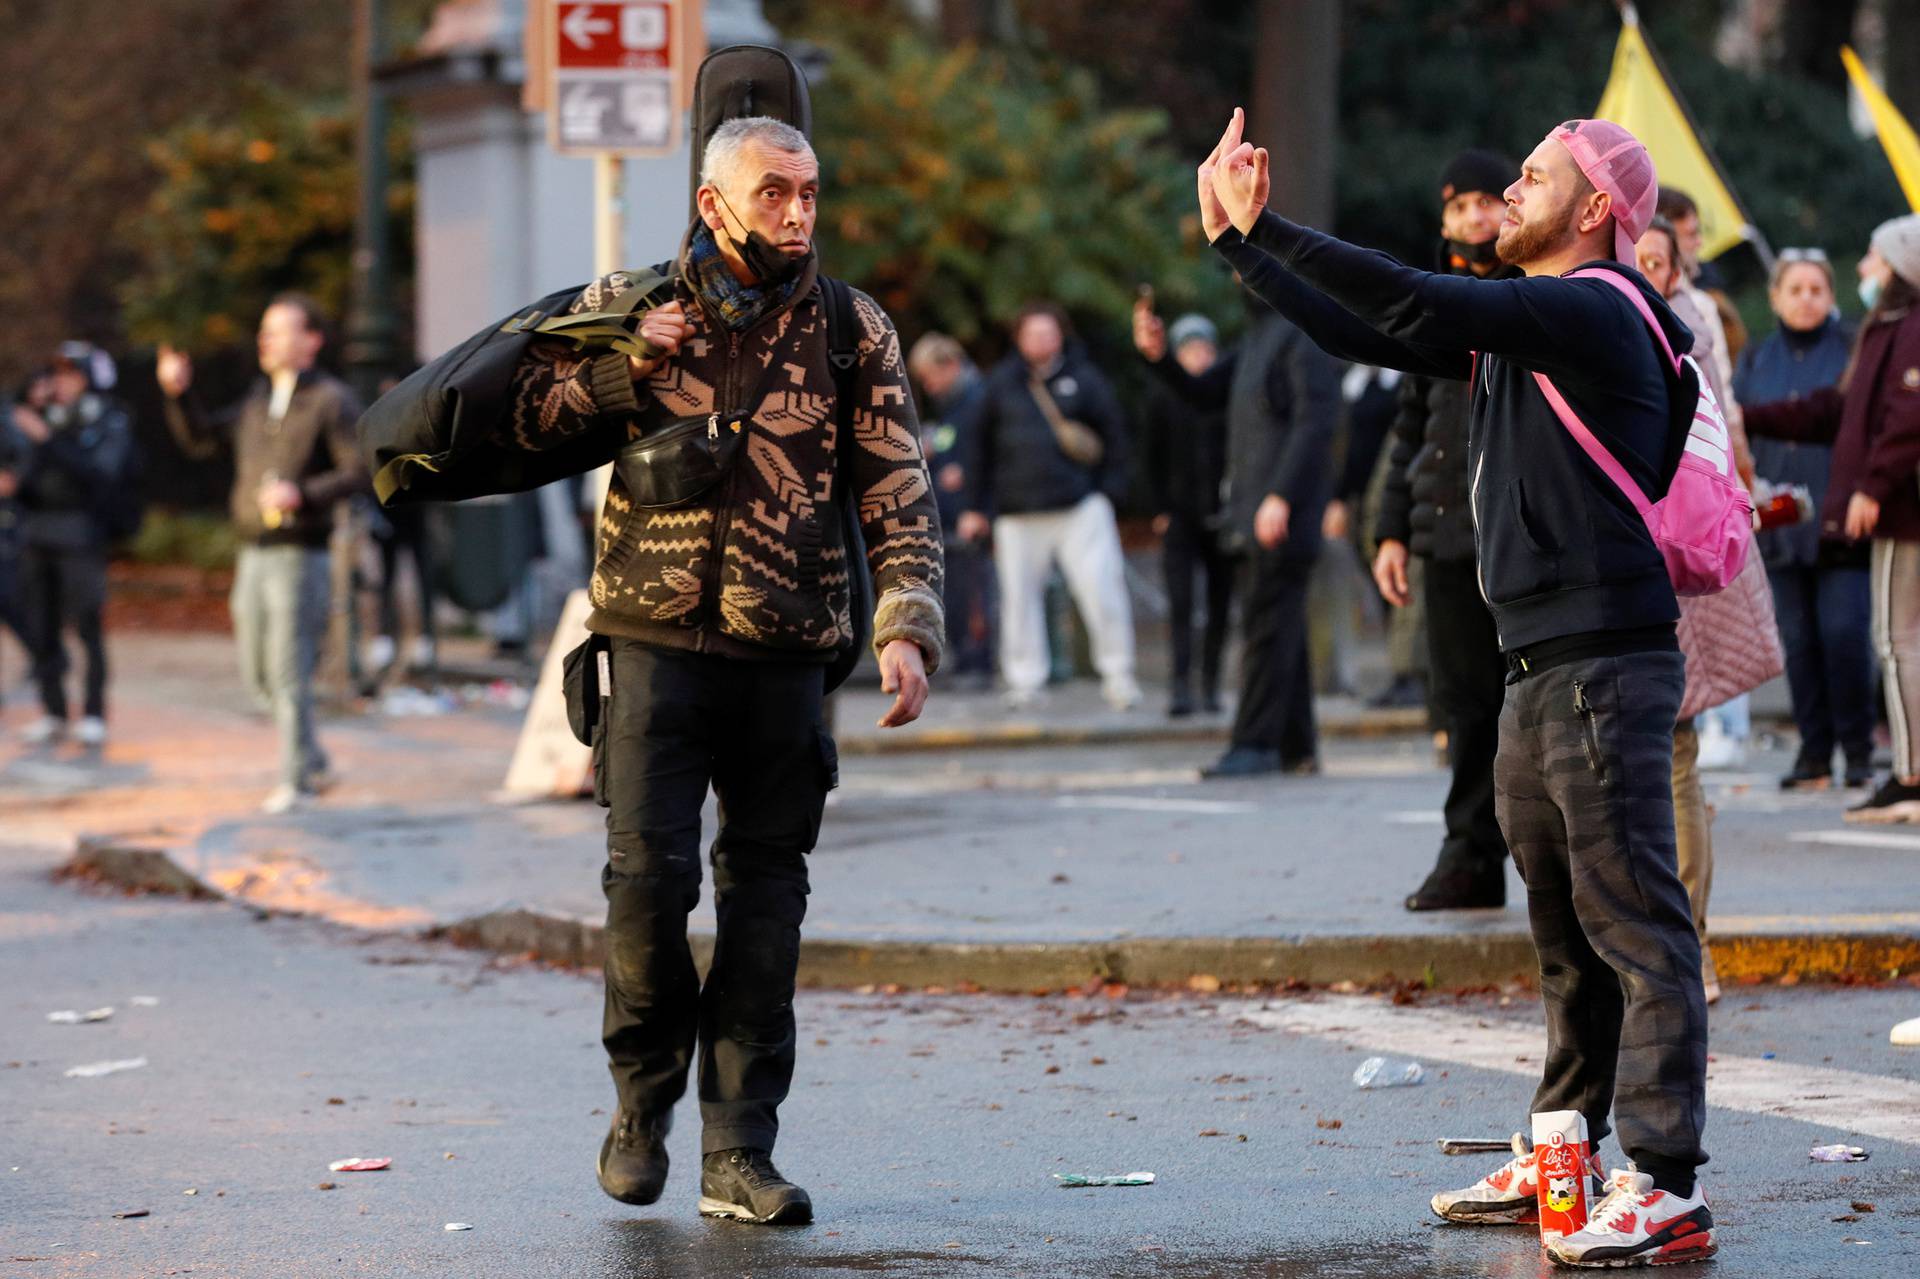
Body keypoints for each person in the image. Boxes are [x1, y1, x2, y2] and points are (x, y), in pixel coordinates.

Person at [1201, 110, 1716, 1266]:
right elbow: (1365, 331)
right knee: (1564, 936)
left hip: (1602, 661)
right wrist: (1240, 247)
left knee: (1635, 922)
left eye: (1535, 176)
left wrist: (1272, 220)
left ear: (1593, 211)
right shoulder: (1526, 327)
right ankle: (1562, 1155)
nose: (1510, 190)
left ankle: (1668, 1181)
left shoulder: (1591, 308)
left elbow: (1412, 298)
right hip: (1535, 665)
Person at [496, 117, 944, 1223]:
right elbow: (521, 422)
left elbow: (895, 484)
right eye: (776, 192)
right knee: (647, 889)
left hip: (788, 655)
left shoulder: (851, 327)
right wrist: (621, 366)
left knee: (765, 907)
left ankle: (740, 1149)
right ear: (715, 204)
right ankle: (639, 1107)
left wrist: (906, 623)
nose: (799, 212)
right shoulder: (628, 304)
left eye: (811, 190)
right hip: (650, 650)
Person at [1375, 149, 1522, 911]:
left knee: (1527, 707)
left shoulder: (1533, 292)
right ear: (1445, 219)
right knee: (1464, 706)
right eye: (1462, 206)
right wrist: (1391, 529)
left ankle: (1539, 864)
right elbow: (1411, 429)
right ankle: (1469, 856)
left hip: (1514, 533)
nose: (1477, 216)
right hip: (1444, 533)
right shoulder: (1425, 305)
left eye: (1490, 202)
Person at [1743, 214, 1920, 824]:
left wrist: (1871, 486)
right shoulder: (1882, 329)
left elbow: (1905, 418)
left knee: (1886, 646)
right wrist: (1751, 418)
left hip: (1880, 518)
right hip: (1814, 525)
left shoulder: (1900, 331)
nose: (1863, 270)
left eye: (1873, 257)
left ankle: (1899, 769)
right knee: (1848, 644)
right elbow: (1836, 413)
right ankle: (1868, 762)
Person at [158, 295, 366, 813]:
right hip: (252, 550)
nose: (265, 339)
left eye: (279, 330)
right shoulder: (256, 401)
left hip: (300, 552)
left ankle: (296, 781)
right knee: (258, 676)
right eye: (264, 331)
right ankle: (313, 756)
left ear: (311, 340)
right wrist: (178, 394)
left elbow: (359, 471)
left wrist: (303, 494)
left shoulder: (331, 400)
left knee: (288, 669)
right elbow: (201, 440)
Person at [1133, 275, 1342, 777]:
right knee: (1277, 627)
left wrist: (1282, 496)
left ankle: (1255, 744)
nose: (1240, 275)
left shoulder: (1301, 333)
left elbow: (1315, 422)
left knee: (1266, 629)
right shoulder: (1258, 337)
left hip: (1281, 512)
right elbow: (1203, 394)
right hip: (1256, 511)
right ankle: (1295, 745)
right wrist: (1159, 357)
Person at [1733, 249, 1871, 789]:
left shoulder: (1853, 348)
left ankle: (1858, 752)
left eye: (1816, 289)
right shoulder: (1756, 359)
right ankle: (1814, 753)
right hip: (1778, 523)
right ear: (1775, 298)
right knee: (1798, 641)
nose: (1806, 299)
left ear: (1831, 296)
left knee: (1844, 635)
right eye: (1795, 289)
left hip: (1840, 523)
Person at [955, 303, 1139, 711]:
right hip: (1017, 513)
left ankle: (1119, 675)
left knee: (1102, 592)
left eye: (1048, 332)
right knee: (1018, 601)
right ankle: (1024, 680)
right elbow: (976, 446)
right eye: (1032, 333)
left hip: (1079, 509)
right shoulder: (1000, 384)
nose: (1040, 341)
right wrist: (974, 507)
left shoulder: (1085, 379)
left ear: (1061, 335)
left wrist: (1109, 493)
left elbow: (1116, 436)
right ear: (1018, 339)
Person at [10, 344, 132, 748]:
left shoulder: (106, 420)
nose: (59, 384)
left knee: (87, 626)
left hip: (80, 535)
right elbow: (29, 477)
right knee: (41, 626)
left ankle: (94, 712)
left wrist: (47, 439)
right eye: (56, 375)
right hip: (37, 533)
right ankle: (54, 711)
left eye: (70, 375)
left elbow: (99, 475)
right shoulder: (48, 418)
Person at [1144, 313, 1233, 717]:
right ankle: (1181, 684)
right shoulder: (1164, 396)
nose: (1199, 356)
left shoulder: (1226, 392)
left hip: (1221, 513)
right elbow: (1149, 455)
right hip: (1180, 514)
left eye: (1204, 349)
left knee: (1219, 604)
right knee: (1181, 605)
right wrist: (1160, 507)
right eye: (1190, 349)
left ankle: (1211, 684)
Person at [908, 332, 994, 687]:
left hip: (970, 516)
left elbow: (985, 456)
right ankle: (964, 659)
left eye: (932, 376)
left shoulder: (979, 401)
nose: (929, 386)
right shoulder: (952, 404)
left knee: (974, 594)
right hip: (952, 513)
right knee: (956, 591)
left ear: (952, 365)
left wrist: (975, 498)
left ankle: (979, 664)